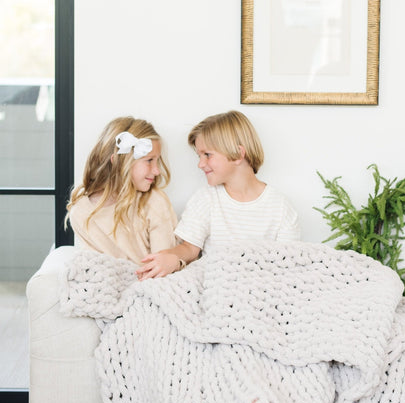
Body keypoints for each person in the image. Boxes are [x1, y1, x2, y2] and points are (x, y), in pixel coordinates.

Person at [135, 110, 300, 279]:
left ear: (238, 154)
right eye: (199, 156)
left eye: (207, 155)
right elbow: (189, 249)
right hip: (218, 285)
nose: (200, 164)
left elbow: (288, 264)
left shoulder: (280, 207)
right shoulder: (206, 199)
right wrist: (171, 257)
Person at [66, 116, 178, 265]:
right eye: (149, 160)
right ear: (118, 162)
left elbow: (163, 265)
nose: (157, 171)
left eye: (157, 161)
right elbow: (94, 269)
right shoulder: (81, 212)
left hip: (152, 284)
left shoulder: (155, 202)